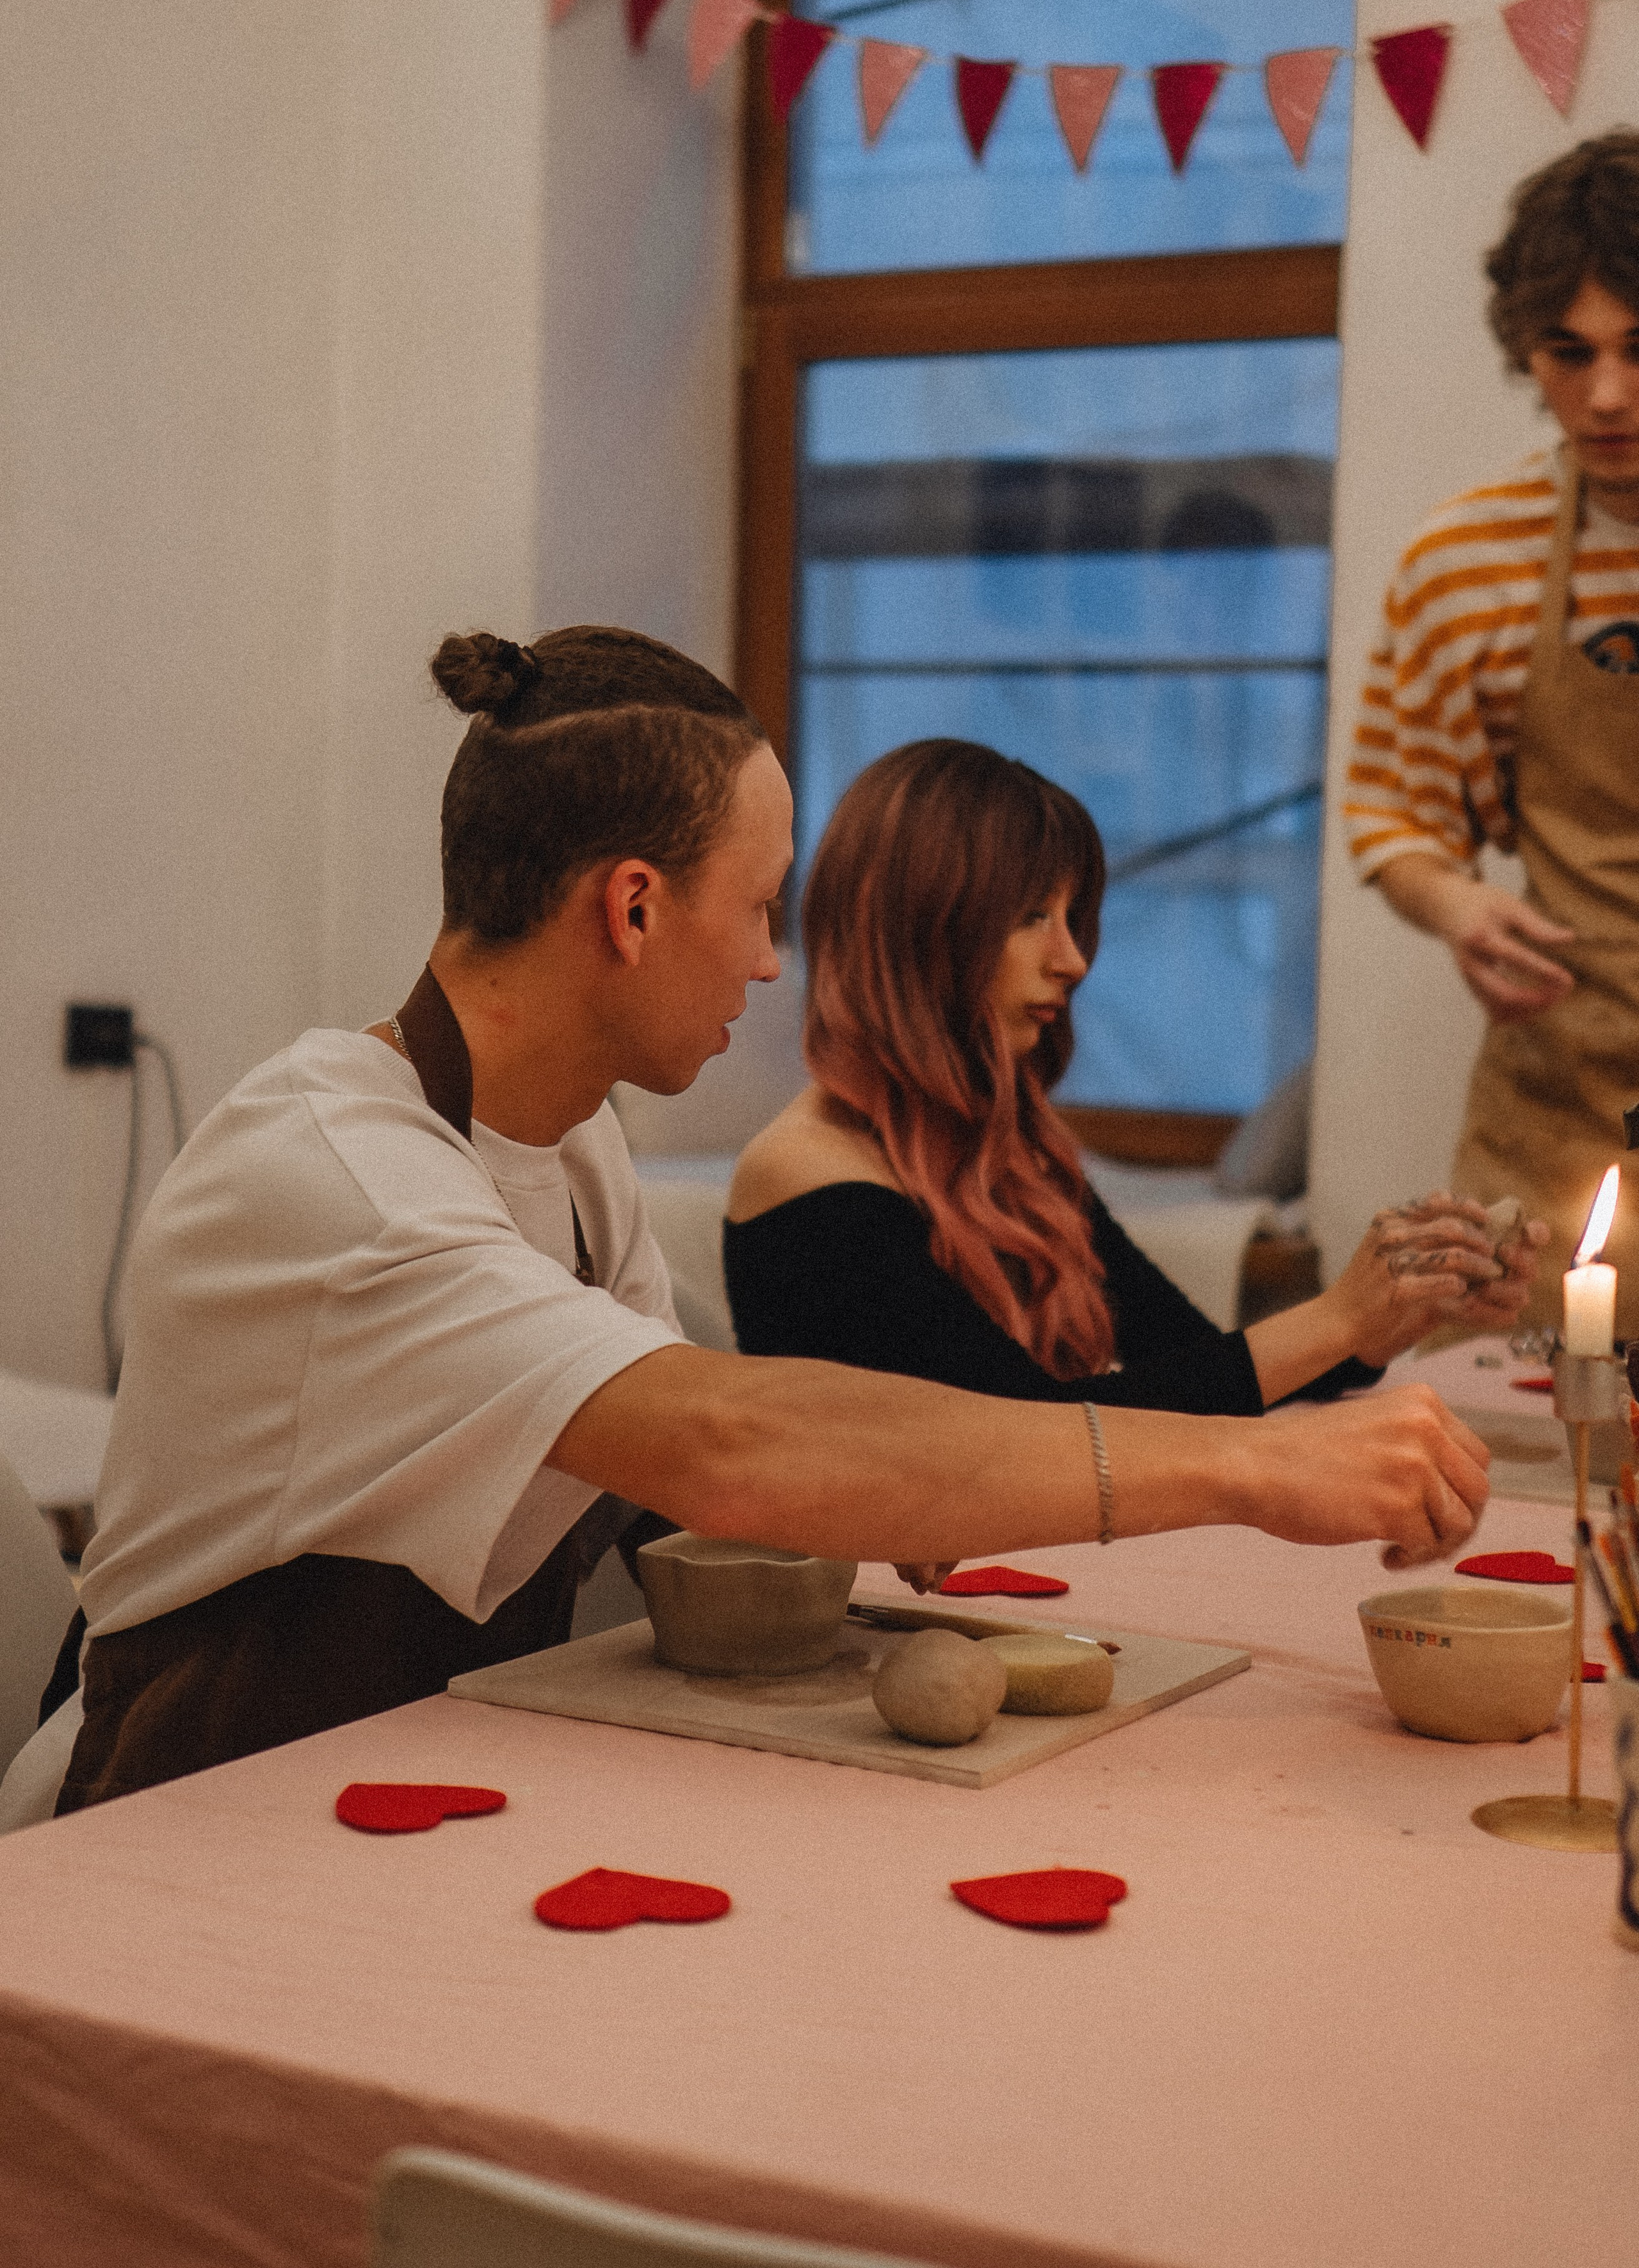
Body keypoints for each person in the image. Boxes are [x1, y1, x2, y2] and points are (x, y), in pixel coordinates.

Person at [56, 628, 1492, 1812]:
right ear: (632, 909)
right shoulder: (351, 1179)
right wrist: (1252, 1465)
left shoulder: (575, 1144)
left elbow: (683, 1473)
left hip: (389, 1777)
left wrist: (914, 1488)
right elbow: (730, 1445)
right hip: (177, 1815)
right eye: (755, 908)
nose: (766, 961)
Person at [725, 741, 1540, 1414]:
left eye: (1071, 918)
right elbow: (1027, 1437)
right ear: (921, 931)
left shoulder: (1009, 1151)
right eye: (1031, 917)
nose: (1072, 960)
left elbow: (1187, 1363)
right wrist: (1335, 1319)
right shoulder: (805, 1172)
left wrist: (1391, 1314)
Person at [1343, 131, 1639, 1332]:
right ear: (1527, 351)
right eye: (1570, 354)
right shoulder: (1467, 560)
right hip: (1557, 1128)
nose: (1607, 396)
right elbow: (1392, 809)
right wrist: (1456, 906)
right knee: (1527, 1430)